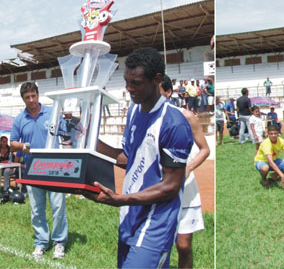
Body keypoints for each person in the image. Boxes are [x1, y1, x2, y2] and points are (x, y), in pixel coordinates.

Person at [83, 48, 193, 268]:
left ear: (157, 79)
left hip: (156, 222)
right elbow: (128, 159)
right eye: (126, 81)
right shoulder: (133, 111)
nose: (129, 88)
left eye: (136, 83)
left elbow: (171, 186)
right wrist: (89, 142)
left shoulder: (174, 124)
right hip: (130, 215)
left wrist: (120, 199)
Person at [157, 74, 210, 269]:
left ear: (169, 92)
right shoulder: (145, 117)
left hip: (185, 188)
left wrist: (187, 168)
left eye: (158, 92)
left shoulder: (186, 116)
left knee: (184, 245)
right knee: (159, 243)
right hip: (157, 186)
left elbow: (205, 149)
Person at [10, 81, 68, 259]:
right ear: (23, 99)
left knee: (58, 207)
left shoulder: (52, 113)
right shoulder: (20, 119)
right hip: (32, 169)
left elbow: (66, 134)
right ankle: (41, 242)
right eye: (27, 97)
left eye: (33, 96)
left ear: (38, 95)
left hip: (55, 168)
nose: (31, 100)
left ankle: (59, 242)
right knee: (37, 209)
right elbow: (12, 143)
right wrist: (23, 147)